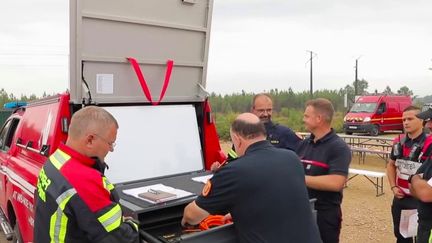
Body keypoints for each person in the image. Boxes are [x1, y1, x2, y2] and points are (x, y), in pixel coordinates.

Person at [182, 113, 321, 243]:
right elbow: (277, 196)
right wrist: (242, 210)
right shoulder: (291, 158)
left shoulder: (233, 171)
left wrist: (185, 218)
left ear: (237, 139)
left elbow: (192, 216)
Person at [34, 106, 139, 243]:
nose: (111, 149)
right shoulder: (83, 180)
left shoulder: (55, 160)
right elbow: (121, 239)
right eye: (110, 143)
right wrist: (132, 224)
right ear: (90, 140)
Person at [296, 98, 351, 243]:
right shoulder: (304, 144)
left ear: (319, 119)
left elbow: (336, 182)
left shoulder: (338, 147)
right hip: (301, 211)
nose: (304, 119)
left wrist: (299, 178)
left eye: (307, 116)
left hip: (324, 216)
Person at [386, 106, 432, 243]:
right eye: (403, 119)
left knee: (418, 235)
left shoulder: (429, 142)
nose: (406, 122)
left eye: (410, 119)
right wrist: (393, 187)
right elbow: (390, 165)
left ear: (421, 121)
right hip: (401, 198)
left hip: (418, 200)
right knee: (401, 236)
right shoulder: (398, 140)